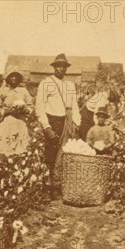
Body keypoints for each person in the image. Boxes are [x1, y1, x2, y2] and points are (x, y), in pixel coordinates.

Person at [35, 53, 81, 188]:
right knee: (50, 154)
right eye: (58, 66)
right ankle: (48, 187)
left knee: (64, 154)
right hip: (52, 120)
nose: (61, 69)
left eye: (64, 66)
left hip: (66, 121)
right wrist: (47, 127)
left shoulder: (70, 85)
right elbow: (40, 106)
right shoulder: (46, 83)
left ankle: (58, 185)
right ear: (54, 67)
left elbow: (74, 105)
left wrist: (76, 123)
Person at [0, 71, 34, 156]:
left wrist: (24, 110)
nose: (14, 78)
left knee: (20, 152)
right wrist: (9, 111)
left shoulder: (24, 91)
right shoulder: (2, 91)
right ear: (7, 78)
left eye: (16, 76)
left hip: (20, 123)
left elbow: (31, 107)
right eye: (11, 76)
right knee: (5, 151)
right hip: (7, 123)